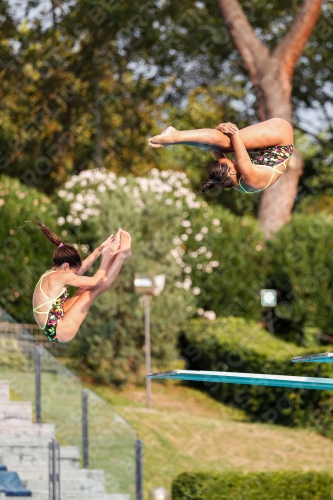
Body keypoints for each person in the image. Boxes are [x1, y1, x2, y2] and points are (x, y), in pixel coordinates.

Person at [32, 219, 131, 343]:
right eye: (74, 273)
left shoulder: (54, 273)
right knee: (94, 289)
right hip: (60, 329)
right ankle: (121, 256)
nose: (76, 275)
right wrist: (105, 258)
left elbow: (79, 270)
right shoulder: (60, 276)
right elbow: (96, 281)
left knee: (84, 287)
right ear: (66, 266)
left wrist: (99, 250)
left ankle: (117, 254)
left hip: (55, 325)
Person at [149, 118, 293, 194]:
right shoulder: (248, 175)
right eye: (230, 161)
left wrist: (218, 129)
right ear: (231, 171)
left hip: (267, 148)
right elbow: (234, 134)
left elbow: (214, 147)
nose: (231, 160)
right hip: (281, 136)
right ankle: (175, 136)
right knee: (228, 142)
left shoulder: (230, 179)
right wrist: (223, 127)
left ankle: (175, 140)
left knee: (221, 144)